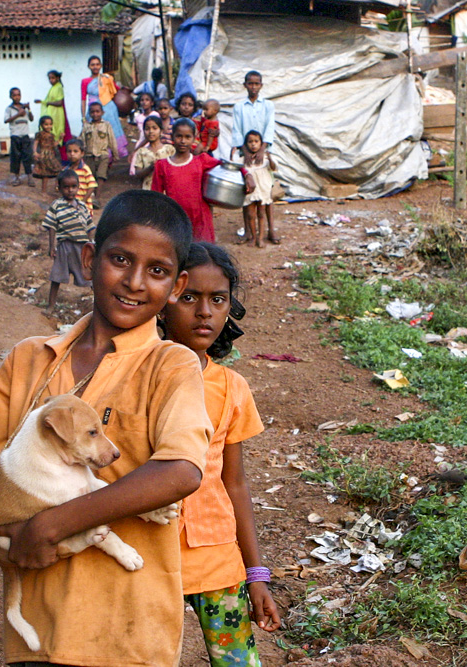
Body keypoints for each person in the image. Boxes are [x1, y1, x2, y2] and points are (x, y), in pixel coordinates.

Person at [0, 189, 213, 667]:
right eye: (120, 260)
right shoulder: (29, 359)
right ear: (88, 257)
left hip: (131, 634)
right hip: (37, 633)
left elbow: (180, 472)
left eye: (157, 271)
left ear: (177, 284)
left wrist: (51, 525)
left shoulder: (171, 364)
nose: (135, 282)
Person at [161, 242, 282, 667]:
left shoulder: (232, 388)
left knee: (237, 664)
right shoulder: (137, 377)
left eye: (218, 300)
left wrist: (256, 574)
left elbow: (234, 483)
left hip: (218, 562)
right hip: (151, 561)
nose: (204, 312)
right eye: (189, 297)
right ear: (163, 299)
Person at [151, 118, 253, 243]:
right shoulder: (162, 165)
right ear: (172, 137)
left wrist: (247, 175)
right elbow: (155, 195)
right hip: (176, 219)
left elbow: (227, 166)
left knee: (204, 255)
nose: (183, 141)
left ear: (195, 138)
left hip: (201, 219)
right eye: (179, 136)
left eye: (188, 137)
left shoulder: (201, 160)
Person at [43, 169, 94, 316]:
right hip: (64, 246)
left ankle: (99, 307)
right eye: (66, 187)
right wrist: (52, 246)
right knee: (56, 276)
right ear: (59, 188)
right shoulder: (57, 205)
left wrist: (93, 245)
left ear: (78, 187)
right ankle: (50, 306)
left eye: (73, 186)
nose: (70, 190)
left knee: (90, 276)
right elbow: (51, 227)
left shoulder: (83, 207)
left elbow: (90, 227)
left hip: (82, 248)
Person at [81, 55, 128, 158]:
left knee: (110, 132)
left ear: (101, 66)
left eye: (97, 64)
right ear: (88, 66)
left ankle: (112, 155)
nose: (95, 67)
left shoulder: (106, 78)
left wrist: (125, 91)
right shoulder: (85, 81)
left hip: (109, 110)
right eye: (92, 65)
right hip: (93, 110)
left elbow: (116, 89)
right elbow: (83, 99)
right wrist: (83, 116)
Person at [241, 130, 278, 247]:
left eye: (256, 141)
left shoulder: (265, 158)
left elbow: (273, 168)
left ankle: (260, 238)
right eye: (250, 142)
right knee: (251, 215)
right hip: (250, 192)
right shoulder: (244, 159)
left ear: (261, 143)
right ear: (246, 144)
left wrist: (270, 158)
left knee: (261, 214)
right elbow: (236, 168)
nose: (253, 144)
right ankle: (253, 237)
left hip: (263, 191)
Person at [231, 71, 275, 162]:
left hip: (264, 152)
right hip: (245, 153)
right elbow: (237, 130)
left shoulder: (268, 105)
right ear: (245, 85)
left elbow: (269, 128)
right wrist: (245, 151)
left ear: (261, 85)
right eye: (250, 84)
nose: (253, 87)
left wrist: (262, 149)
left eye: (256, 84)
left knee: (264, 174)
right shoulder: (239, 107)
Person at [80, 101, 118, 198]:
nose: (95, 114)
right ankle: (90, 196)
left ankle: (97, 197)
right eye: (92, 112)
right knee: (91, 176)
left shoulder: (106, 125)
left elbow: (112, 140)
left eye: (97, 111)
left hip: (103, 155)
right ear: (89, 113)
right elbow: (82, 140)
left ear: (102, 113)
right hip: (89, 156)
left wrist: (115, 154)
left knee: (101, 176)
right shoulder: (86, 126)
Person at [34, 70, 73, 159]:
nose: (51, 80)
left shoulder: (58, 87)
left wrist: (47, 103)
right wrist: (42, 102)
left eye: (53, 78)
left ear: (57, 78)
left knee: (57, 132)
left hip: (57, 114)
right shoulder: (53, 88)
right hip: (53, 113)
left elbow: (59, 102)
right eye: (49, 78)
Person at [131, 116, 174, 189]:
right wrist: (150, 168)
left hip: (166, 189)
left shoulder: (169, 150)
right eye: (147, 129)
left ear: (161, 131)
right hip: (148, 190)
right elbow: (138, 174)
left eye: (154, 128)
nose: (151, 131)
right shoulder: (142, 152)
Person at [5, 87, 35, 185]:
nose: (17, 97)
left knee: (27, 157)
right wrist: (18, 114)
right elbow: (6, 120)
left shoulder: (24, 107)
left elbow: (31, 119)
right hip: (15, 135)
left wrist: (29, 109)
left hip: (25, 135)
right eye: (14, 95)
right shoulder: (9, 109)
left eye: (18, 95)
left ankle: (30, 177)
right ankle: (16, 178)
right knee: (16, 157)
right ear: (11, 97)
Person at [65, 139, 98, 209]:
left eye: (75, 151)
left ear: (82, 153)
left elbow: (92, 186)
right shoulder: (66, 170)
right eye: (69, 151)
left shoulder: (85, 169)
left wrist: (83, 202)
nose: (72, 154)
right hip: (70, 207)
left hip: (84, 208)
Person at [33, 116, 61, 192]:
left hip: (51, 155)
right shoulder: (39, 134)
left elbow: (53, 145)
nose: (49, 126)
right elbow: (35, 143)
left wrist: (60, 139)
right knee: (45, 174)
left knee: (58, 169)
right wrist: (35, 152)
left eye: (50, 124)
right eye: (46, 124)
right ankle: (44, 191)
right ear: (41, 125)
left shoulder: (52, 135)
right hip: (43, 155)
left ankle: (57, 187)